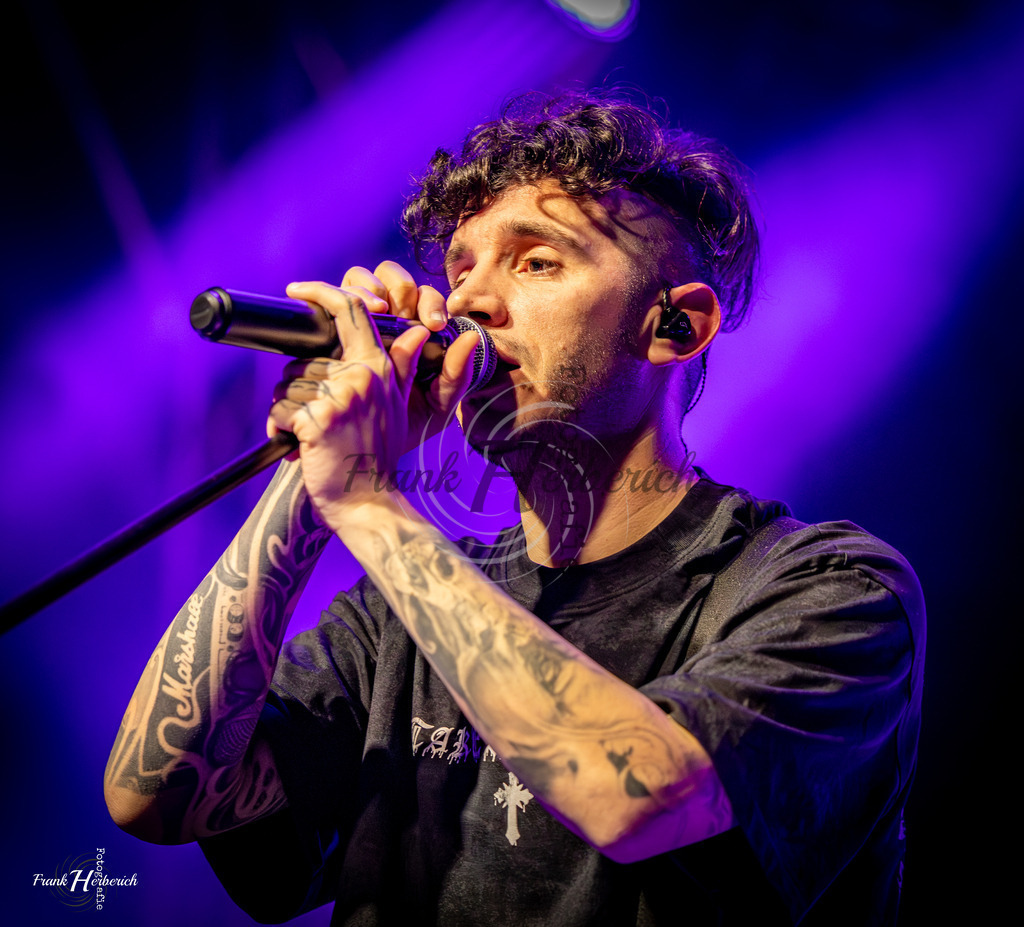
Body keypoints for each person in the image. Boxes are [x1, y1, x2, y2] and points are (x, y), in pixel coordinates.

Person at [104, 90, 925, 926]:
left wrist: (368, 501)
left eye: (536, 261)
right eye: (460, 268)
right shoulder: (403, 609)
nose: (467, 303)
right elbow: (157, 793)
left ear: (675, 324)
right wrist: (312, 474)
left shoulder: (829, 589)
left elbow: (633, 795)